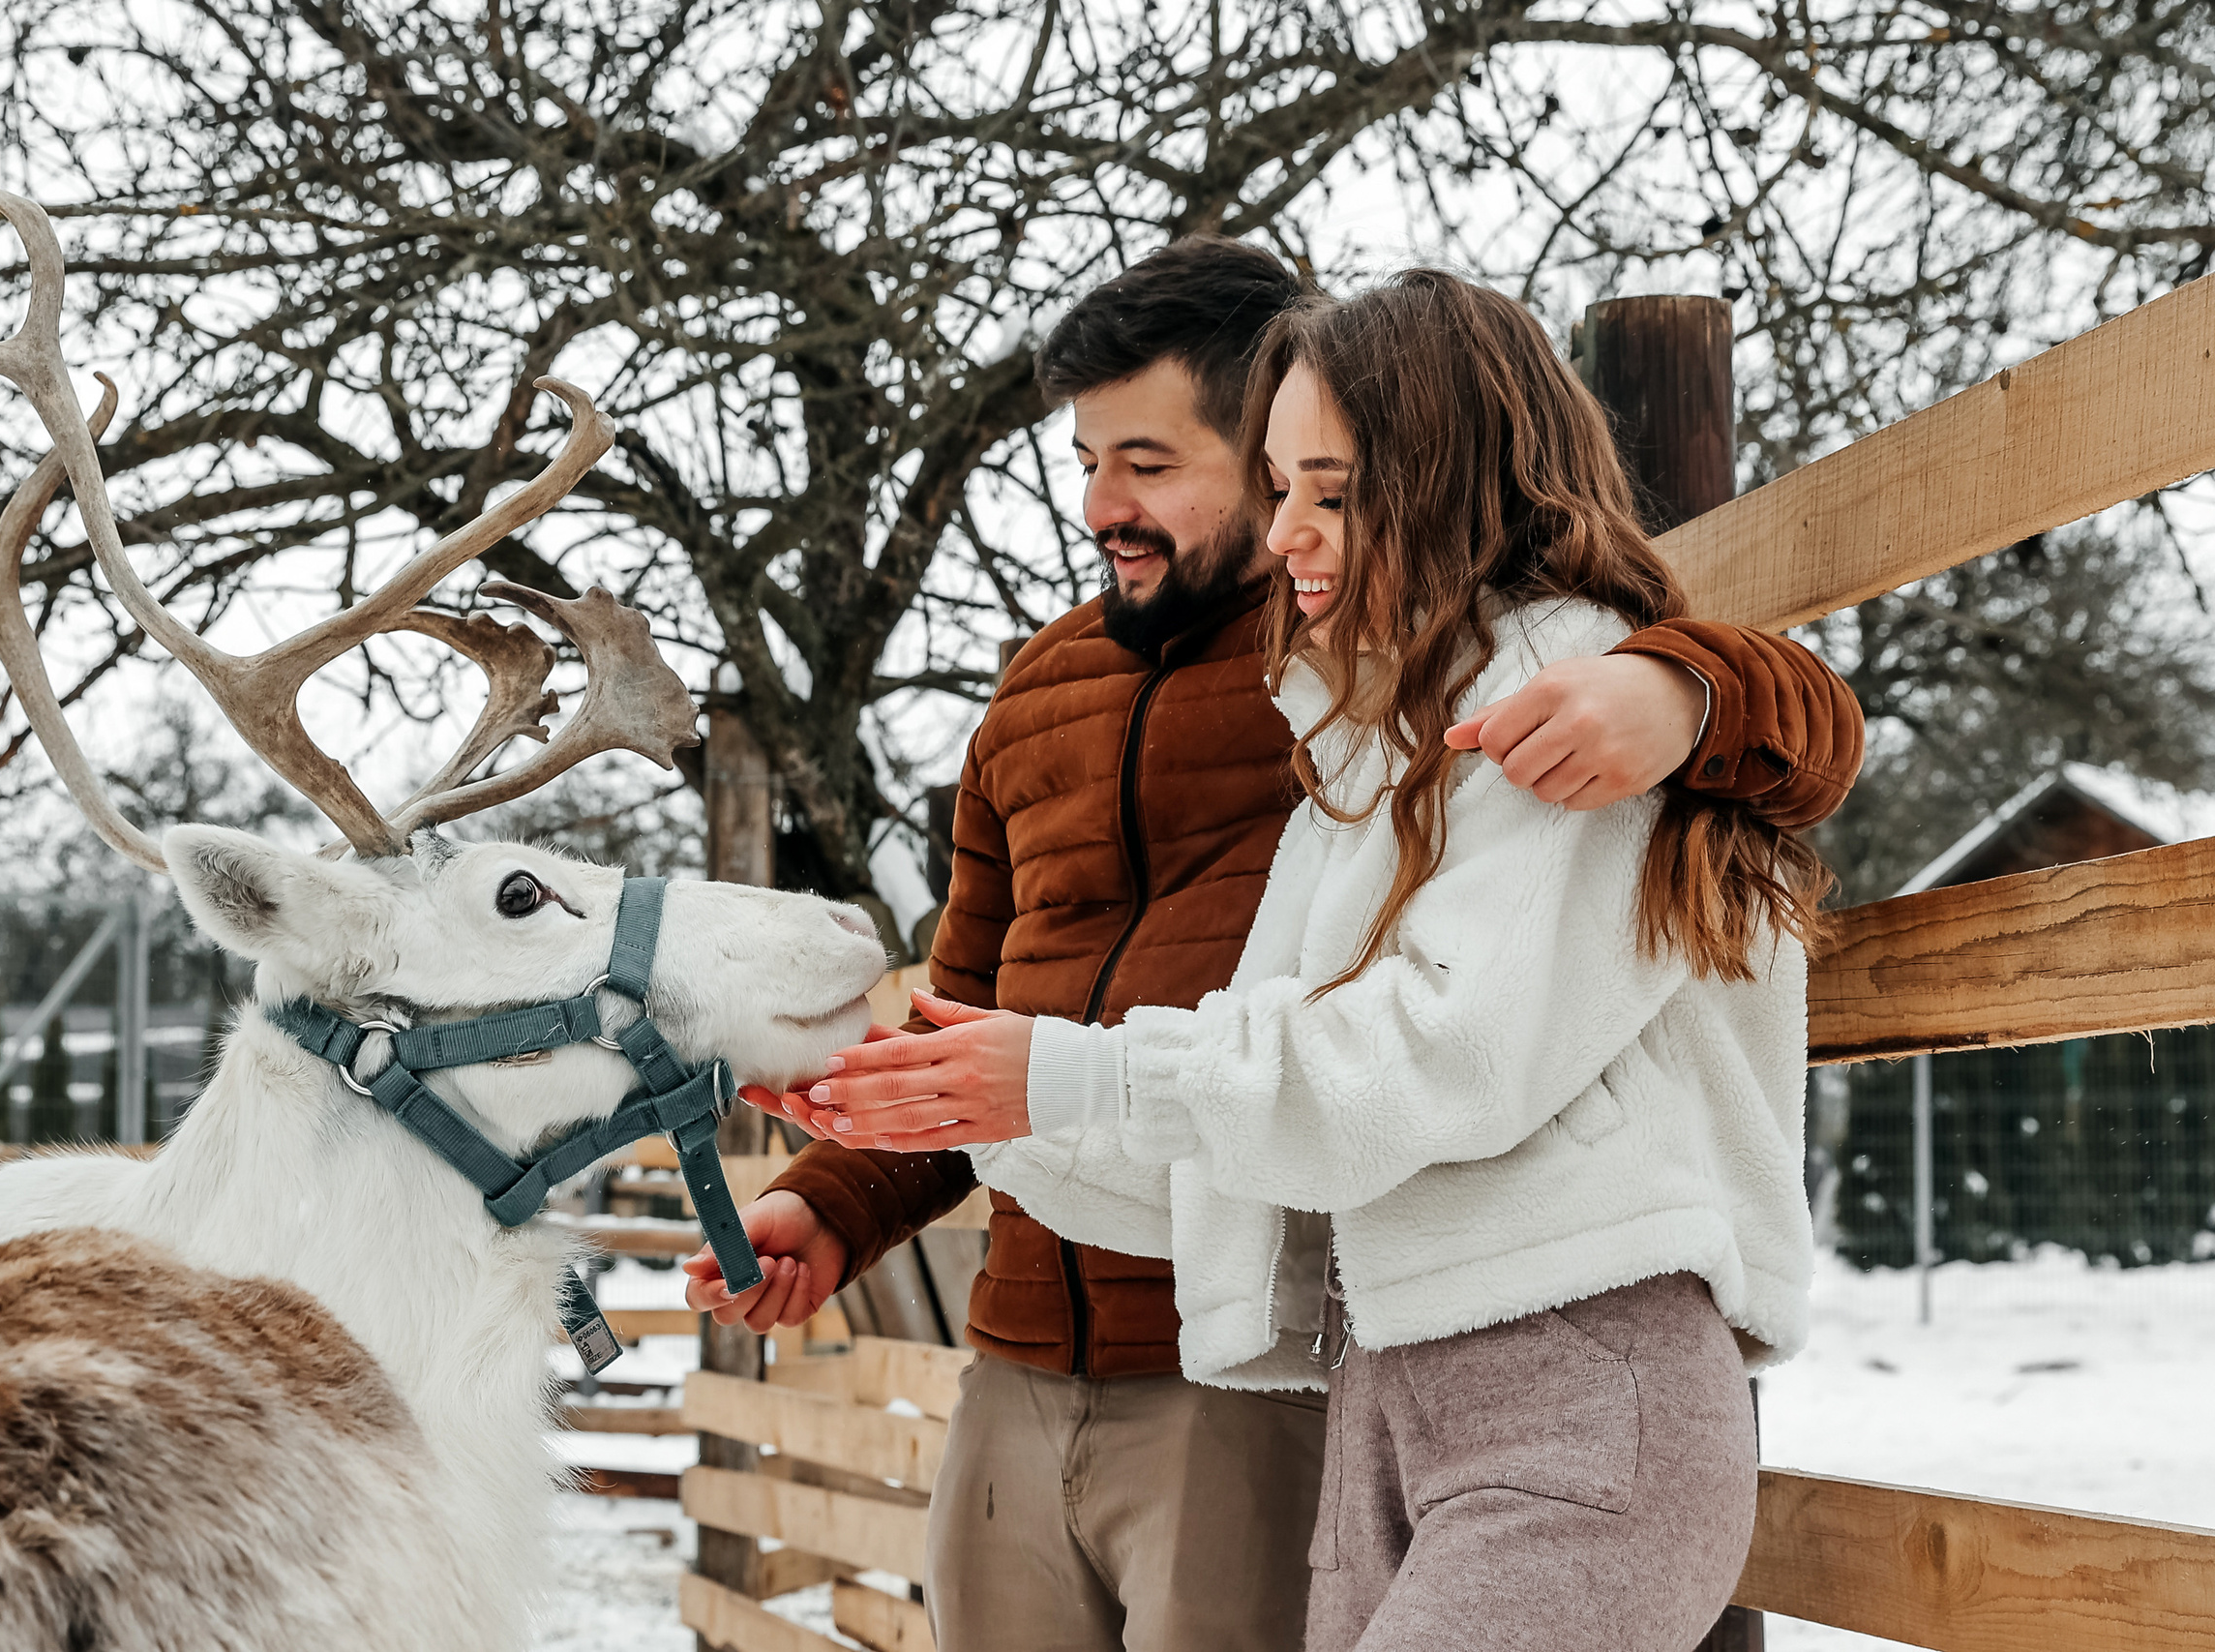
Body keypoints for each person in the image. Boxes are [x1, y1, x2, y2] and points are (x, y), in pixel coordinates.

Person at [683, 241, 1864, 1651]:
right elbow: (1009, 1017)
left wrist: (1695, 683)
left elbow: (1433, 1057)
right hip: (1356, 1365)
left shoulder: (1543, 693)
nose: (1289, 529)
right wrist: (899, 1123)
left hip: (1517, 1379)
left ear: (1440, 474)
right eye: (1285, 488)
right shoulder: (1337, 728)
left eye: (1325, 491)